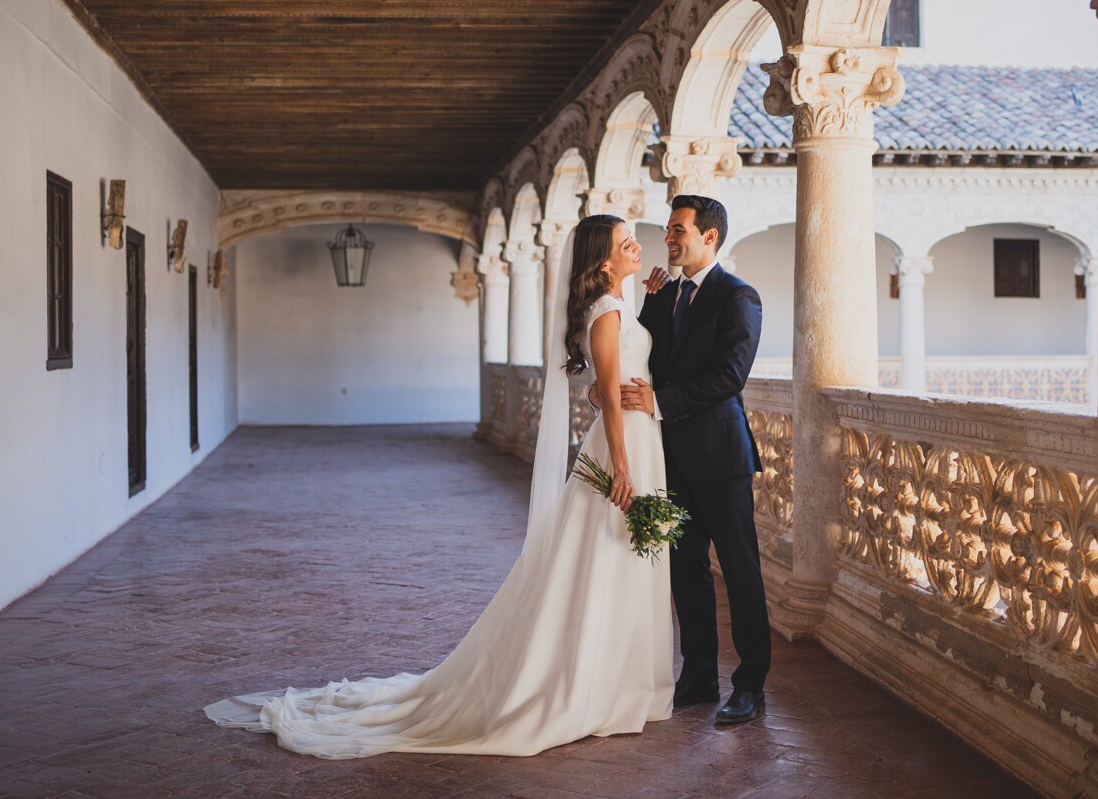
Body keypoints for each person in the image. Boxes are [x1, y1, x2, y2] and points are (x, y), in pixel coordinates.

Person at [203, 215, 674, 759]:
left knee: (620, 557)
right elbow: (609, 395)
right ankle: (598, 682)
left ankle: (618, 678)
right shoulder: (609, 313)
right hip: (624, 446)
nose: (637, 245)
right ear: (602, 259)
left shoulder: (620, 306)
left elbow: (601, 389)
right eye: (624, 242)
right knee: (605, 558)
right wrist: (620, 464)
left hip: (638, 438)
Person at [621, 194, 770, 725]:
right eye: (669, 229)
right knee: (686, 570)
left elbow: (730, 377)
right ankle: (700, 676)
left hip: (721, 455)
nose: (669, 238)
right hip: (670, 457)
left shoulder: (739, 297)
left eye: (679, 229)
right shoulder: (663, 295)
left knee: (740, 571)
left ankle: (750, 686)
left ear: (709, 236)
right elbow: (643, 354)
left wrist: (660, 403)